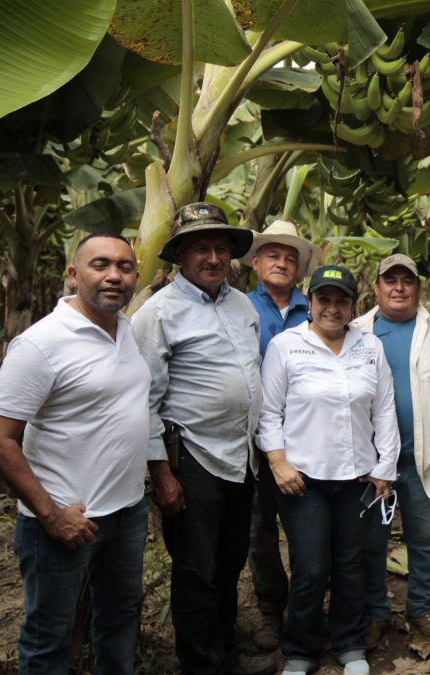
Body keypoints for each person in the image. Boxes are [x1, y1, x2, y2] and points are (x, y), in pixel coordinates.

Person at [0, 233, 150, 675]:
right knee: (48, 639)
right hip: (62, 520)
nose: (114, 275)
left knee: (117, 623)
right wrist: (52, 515)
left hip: (127, 513)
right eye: (100, 265)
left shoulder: (126, 330)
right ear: (74, 274)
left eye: (125, 267)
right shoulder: (41, 344)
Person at [132, 202, 273, 675]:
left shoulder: (241, 304)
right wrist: (161, 473)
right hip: (191, 458)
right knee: (196, 572)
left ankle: (226, 654)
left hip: (240, 456)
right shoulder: (158, 314)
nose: (213, 257)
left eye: (220, 248)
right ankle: (202, 666)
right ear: (180, 257)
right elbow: (145, 399)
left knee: (230, 564)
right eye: (200, 249)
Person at [257, 265, 399, 675]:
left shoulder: (370, 346)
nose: (332, 308)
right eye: (324, 299)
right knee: (311, 566)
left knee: (350, 564)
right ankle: (300, 650)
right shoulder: (287, 346)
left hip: (356, 477)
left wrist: (384, 467)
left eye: (341, 300)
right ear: (310, 300)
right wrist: (278, 462)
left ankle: (350, 643)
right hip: (304, 479)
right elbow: (268, 413)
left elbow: (384, 409)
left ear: (353, 305)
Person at [351, 253, 430, 646]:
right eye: (390, 280)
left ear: (418, 287)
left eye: (407, 280)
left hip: (424, 459)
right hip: (371, 465)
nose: (399, 287)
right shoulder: (357, 330)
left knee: (425, 539)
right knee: (371, 543)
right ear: (377, 288)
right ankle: (375, 612)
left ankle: (422, 607)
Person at [244, 219, 321, 650]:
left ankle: (308, 609)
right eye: (273, 255)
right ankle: (271, 610)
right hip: (256, 440)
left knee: (309, 526)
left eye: (290, 258)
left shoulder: (314, 307)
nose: (281, 263)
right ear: (256, 262)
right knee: (260, 529)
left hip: (310, 436)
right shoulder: (239, 308)